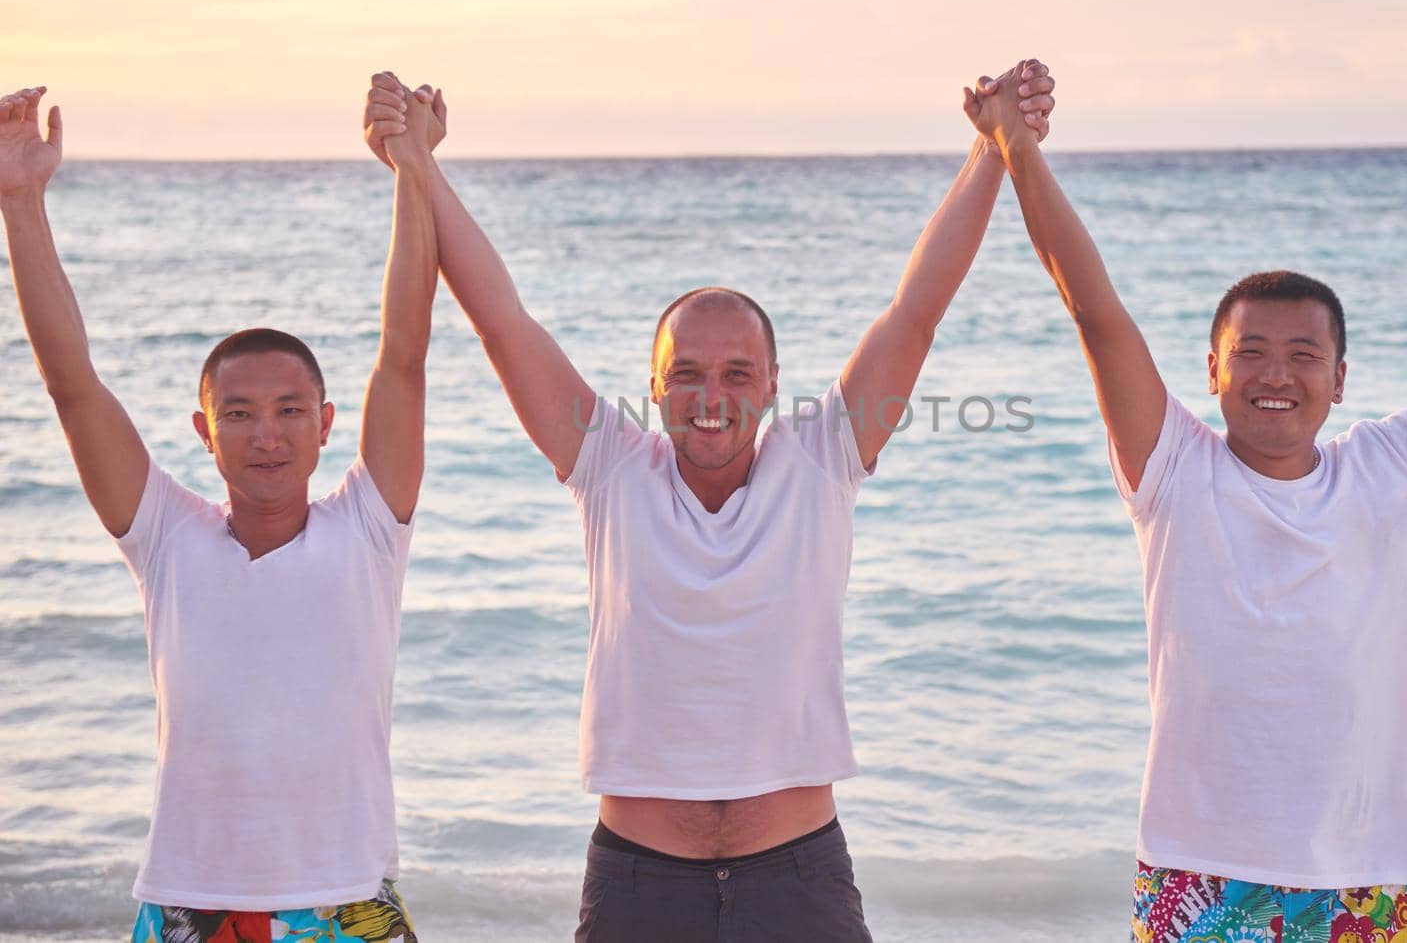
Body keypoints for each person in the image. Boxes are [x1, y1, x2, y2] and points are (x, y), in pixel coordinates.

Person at [361, 63, 1056, 941]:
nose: (711, 396)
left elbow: (915, 309)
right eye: (686, 374)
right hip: (639, 881)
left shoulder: (823, 457)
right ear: (653, 388)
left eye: (736, 374)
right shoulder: (609, 467)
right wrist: (416, 165)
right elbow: (504, 321)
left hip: (798, 877)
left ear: (772, 386)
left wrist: (993, 149)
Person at [965, 70, 1407, 941]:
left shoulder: (1397, 467)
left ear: (1339, 381)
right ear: (1213, 371)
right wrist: (1017, 151)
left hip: (1362, 881)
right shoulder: (1173, 468)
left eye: (1304, 354)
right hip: (1200, 875)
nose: (1275, 373)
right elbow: (1094, 308)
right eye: (1251, 351)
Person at [0, 83, 443, 942]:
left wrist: (409, 169)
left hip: (346, 898)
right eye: (238, 413)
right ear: (205, 431)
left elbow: (404, 355)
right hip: (190, 902)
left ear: (325, 426)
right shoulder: (166, 538)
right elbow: (71, 384)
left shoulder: (369, 531)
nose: (265, 436)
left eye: (288, 411)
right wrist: (19, 202)